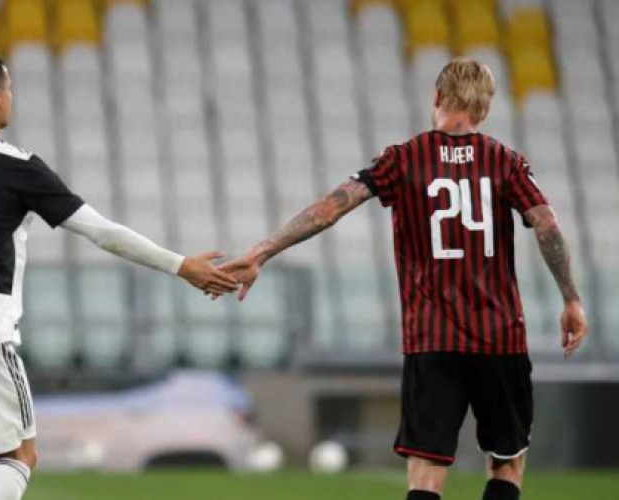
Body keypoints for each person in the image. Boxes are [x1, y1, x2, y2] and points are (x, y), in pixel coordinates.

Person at [0, 51, 238, 500]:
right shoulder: (18, 166)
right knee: (19, 456)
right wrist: (181, 265)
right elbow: (101, 233)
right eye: (10, 89)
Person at [218, 58, 588, 500]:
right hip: (500, 337)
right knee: (506, 463)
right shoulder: (504, 161)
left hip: (432, 340)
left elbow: (329, 209)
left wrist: (261, 251)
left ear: (437, 96)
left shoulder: (403, 159)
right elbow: (546, 224)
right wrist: (571, 299)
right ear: (485, 108)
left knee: (426, 472)